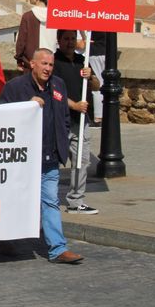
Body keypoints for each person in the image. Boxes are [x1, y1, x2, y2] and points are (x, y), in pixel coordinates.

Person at [0, 49, 85, 264]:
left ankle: (58, 249)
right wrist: (27, 105)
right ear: (32, 64)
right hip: (23, 159)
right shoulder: (15, 87)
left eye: (51, 65)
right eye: (44, 64)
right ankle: (4, 237)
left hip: (50, 157)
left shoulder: (58, 85)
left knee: (50, 202)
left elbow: (64, 116)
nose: (47, 68)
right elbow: (2, 118)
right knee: (16, 201)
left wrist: (62, 139)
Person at [53, 30, 100, 215]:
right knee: (53, 161)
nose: (70, 42)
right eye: (66, 39)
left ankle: (76, 200)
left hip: (81, 121)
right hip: (60, 120)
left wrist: (91, 77)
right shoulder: (54, 62)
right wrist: (74, 105)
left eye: (73, 38)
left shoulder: (82, 61)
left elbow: (96, 86)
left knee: (81, 161)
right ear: (59, 40)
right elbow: (53, 92)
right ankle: (47, 198)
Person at [15, 0, 57, 72]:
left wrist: (19, 59)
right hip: (51, 62)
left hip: (31, 64)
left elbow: (21, 41)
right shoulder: (55, 16)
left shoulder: (28, 16)